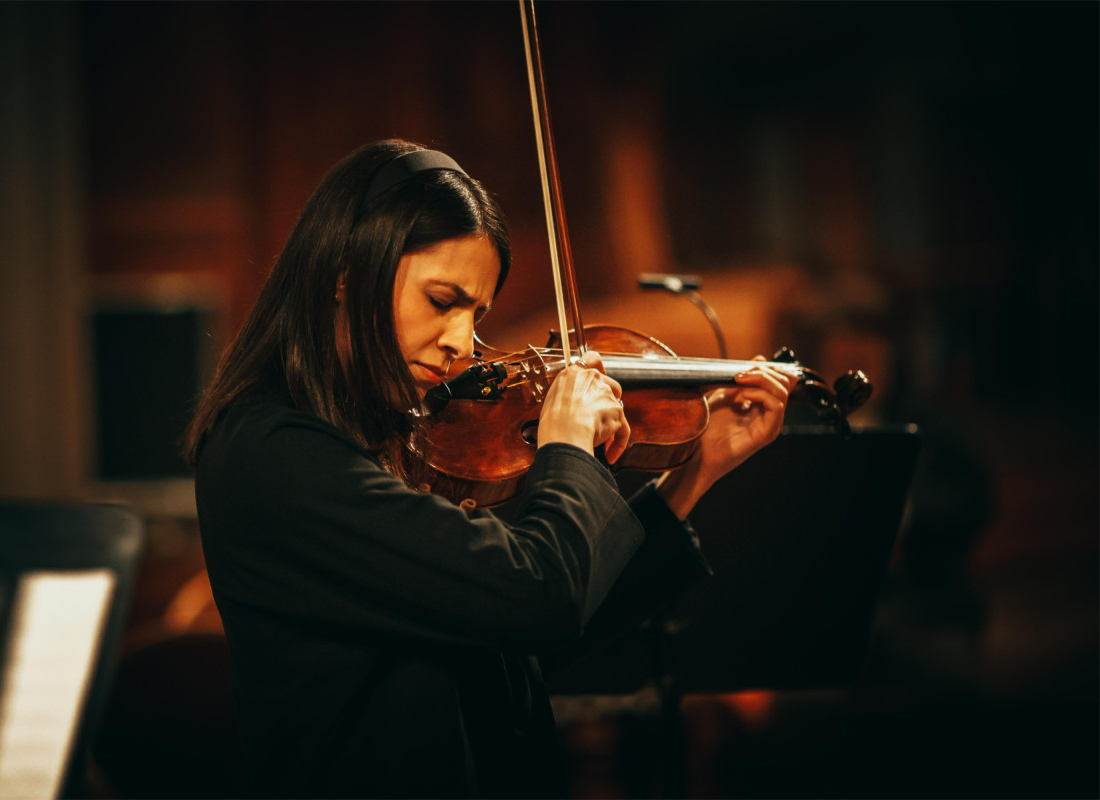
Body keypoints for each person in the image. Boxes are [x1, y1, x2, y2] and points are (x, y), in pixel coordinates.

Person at [184, 139, 795, 798]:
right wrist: (566, 445)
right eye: (441, 300)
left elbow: (524, 638)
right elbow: (537, 597)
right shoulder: (274, 453)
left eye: (475, 314)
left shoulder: (382, 436)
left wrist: (693, 473)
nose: (460, 343)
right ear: (344, 272)